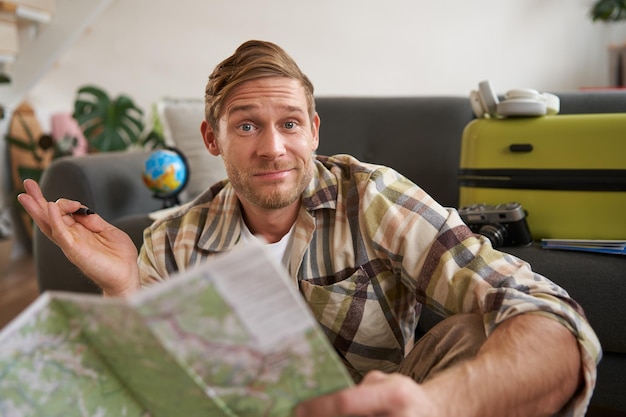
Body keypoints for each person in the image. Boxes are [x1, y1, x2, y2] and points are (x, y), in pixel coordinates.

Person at [19, 40, 600, 417]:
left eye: (289, 123)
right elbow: (148, 384)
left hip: (377, 410)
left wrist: (437, 407)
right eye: (246, 126)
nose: (273, 148)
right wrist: (122, 287)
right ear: (211, 139)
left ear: (314, 130)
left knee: (479, 335)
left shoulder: (374, 197)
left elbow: (549, 314)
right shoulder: (175, 238)